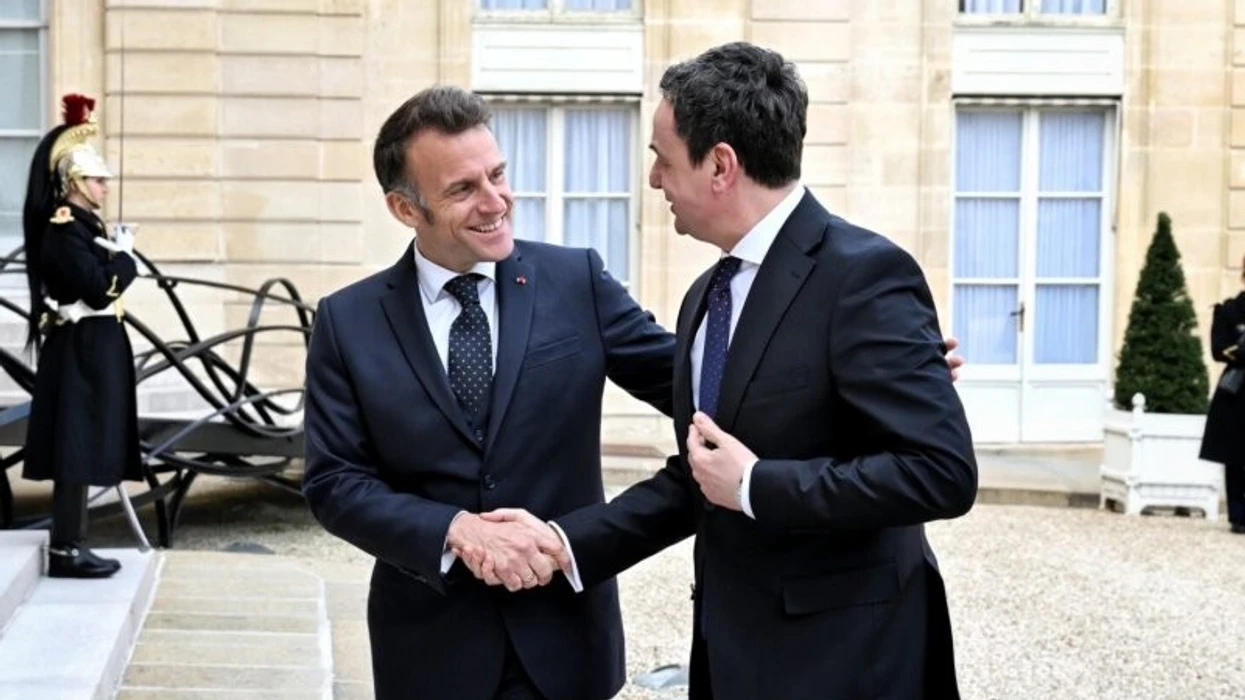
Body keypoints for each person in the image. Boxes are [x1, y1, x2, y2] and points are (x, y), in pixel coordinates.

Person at [303, 85, 968, 700]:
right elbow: (335, 482)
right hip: (428, 646)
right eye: (462, 189)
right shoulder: (347, 320)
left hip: (566, 643)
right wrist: (455, 531)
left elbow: (718, 393)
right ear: (405, 208)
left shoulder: (576, 281)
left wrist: (870, 367)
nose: (495, 200)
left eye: (498, 175)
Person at [472, 42, 978, 699]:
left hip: (848, 664)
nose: (653, 179)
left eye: (662, 157)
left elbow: (941, 473)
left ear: (719, 165)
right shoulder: (707, 295)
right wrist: (565, 543)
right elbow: (703, 475)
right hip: (729, 657)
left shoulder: (865, 276)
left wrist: (757, 485)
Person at [21, 93, 141, 579]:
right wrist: (126, 259)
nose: (105, 187)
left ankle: (75, 543)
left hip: (96, 348)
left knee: (88, 442)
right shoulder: (64, 228)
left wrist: (116, 254)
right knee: (75, 446)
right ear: (74, 182)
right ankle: (66, 549)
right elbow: (96, 289)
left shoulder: (87, 227)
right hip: (80, 350)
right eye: (97, 179)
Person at [1199, 259, 1245, 534]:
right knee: (1236, 456)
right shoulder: (1229, 311)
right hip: (1238, 391)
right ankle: (1238, 516)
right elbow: (1219, 350)